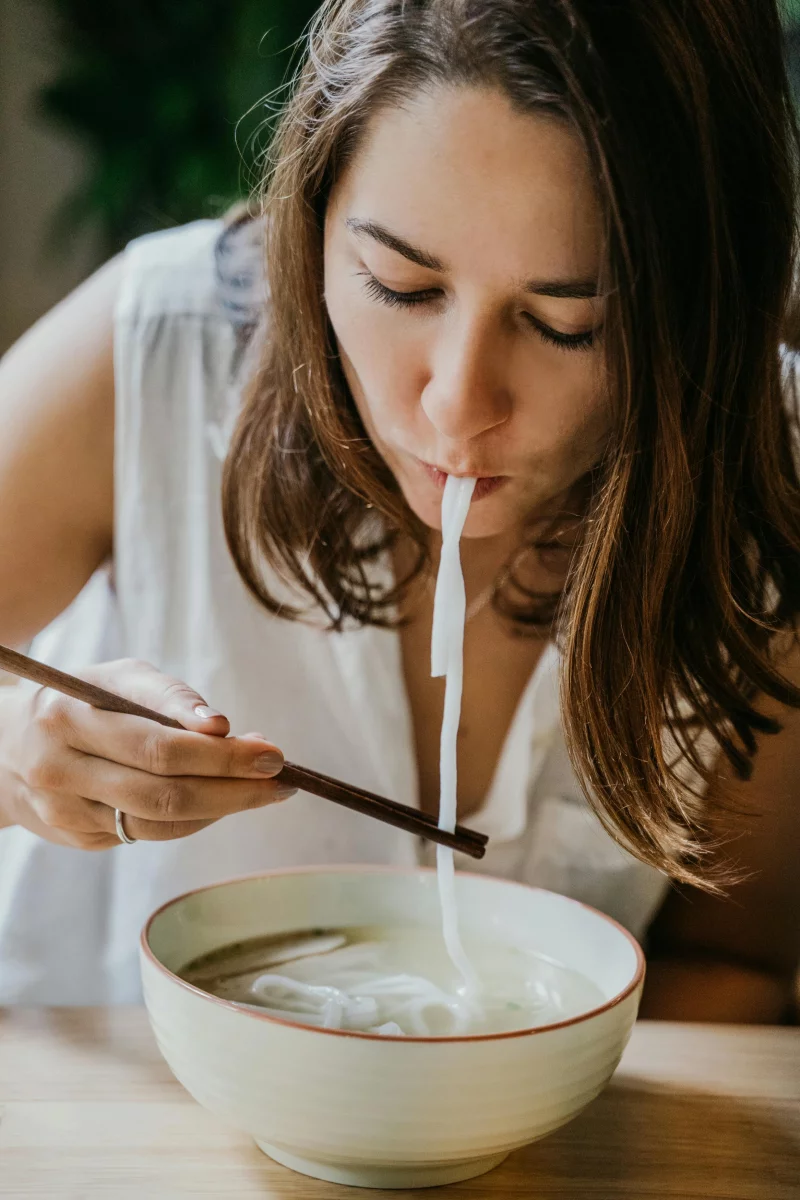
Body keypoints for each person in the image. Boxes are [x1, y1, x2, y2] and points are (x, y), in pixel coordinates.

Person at [0, 0, 798, 1019]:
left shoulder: (769, 477)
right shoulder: (160, 351)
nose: (457, 403)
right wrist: (21, 760)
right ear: (312, 223)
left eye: (566, 325)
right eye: (398, 285)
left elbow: (730, 959)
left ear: (703, 309)